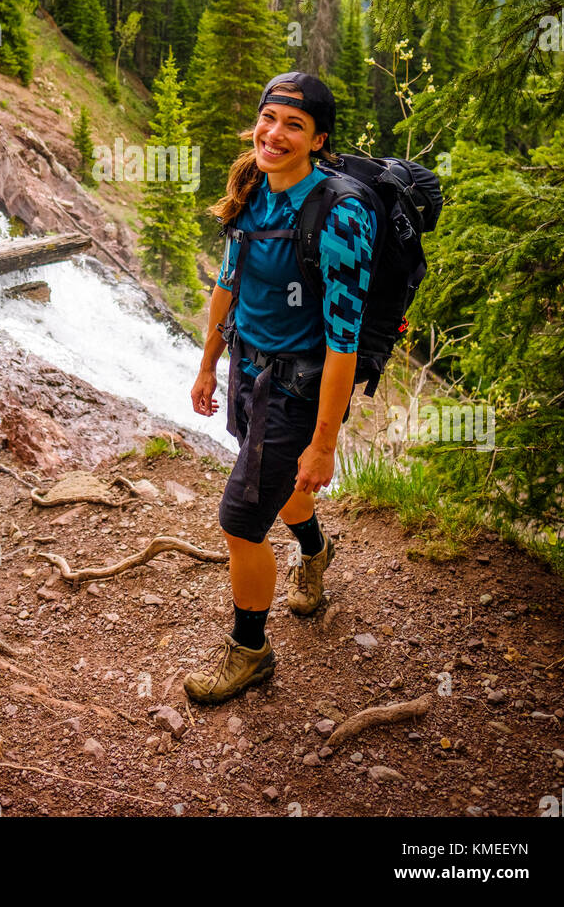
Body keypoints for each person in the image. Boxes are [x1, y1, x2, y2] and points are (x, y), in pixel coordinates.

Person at [183, 71, 377, 705]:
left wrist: (325, 443)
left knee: (239, 521)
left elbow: (343, 339)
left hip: (300, 390)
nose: (275, 133)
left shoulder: (339, 215)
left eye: (294, 125)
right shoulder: (254, 190)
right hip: (249, 372)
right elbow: (228, 281)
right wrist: (209, 363)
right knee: (282, 487)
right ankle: (316, 552)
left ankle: (250, 653)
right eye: (269, 118)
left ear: (319, 139)